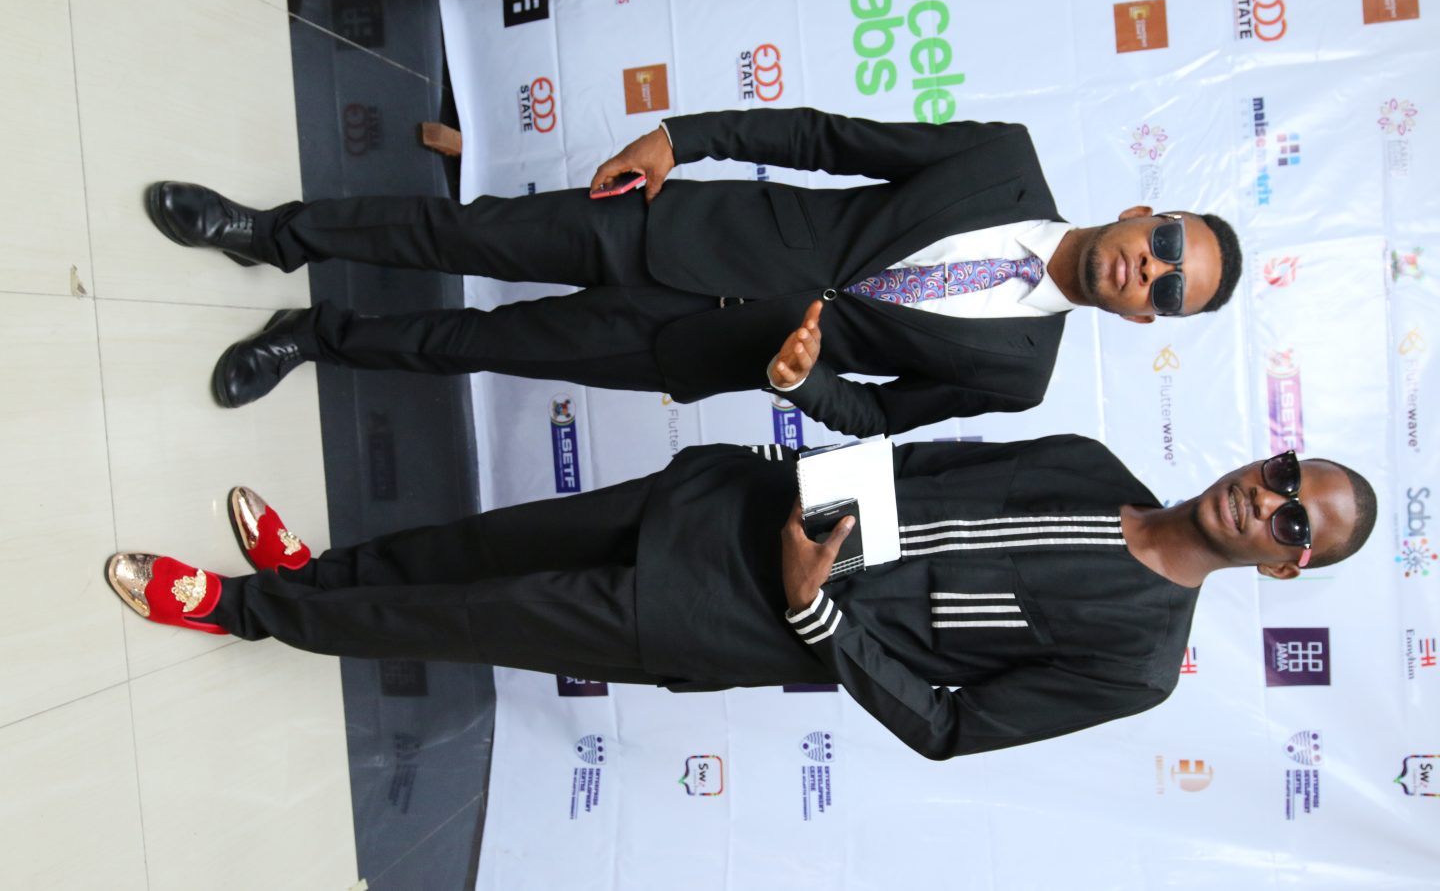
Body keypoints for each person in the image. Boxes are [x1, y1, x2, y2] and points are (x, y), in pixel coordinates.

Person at [105, 436, 1373, 760]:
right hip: (724, 506)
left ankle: (240, 610)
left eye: (1291, 520)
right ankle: (307, 577)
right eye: (1283, 474)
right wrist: (784, 475)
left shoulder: (1139, 664)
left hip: (728, 618)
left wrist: (821, 618)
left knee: (461, 616)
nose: (1264, 500)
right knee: (470, 548)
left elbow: (950, 724)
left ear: (1286, 565)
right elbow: (914, 468)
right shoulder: (1095, 466)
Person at [147, 107, 1243, 436]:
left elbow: (872, 416)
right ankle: (271, 233)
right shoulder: (1002, 158)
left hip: (690, 347)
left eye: (1166, 288)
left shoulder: (1020, 378)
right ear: (1142, 213)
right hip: (676, 228)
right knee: (463, 235)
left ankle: (312, 341)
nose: (1142, 270)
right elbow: (825, 140)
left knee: (473, 345)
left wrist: (800, 379)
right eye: (1163, 245)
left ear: (1147, 320)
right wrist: (684, 138)